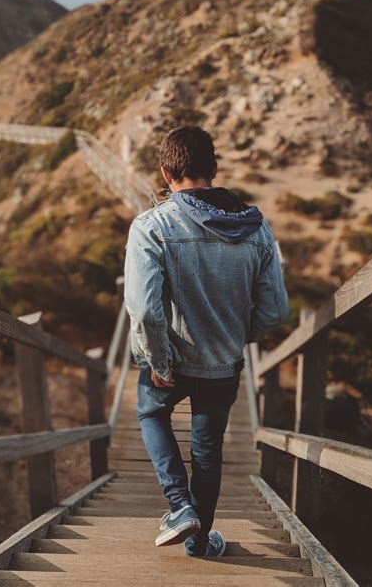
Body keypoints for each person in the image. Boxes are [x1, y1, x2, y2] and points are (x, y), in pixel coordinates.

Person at [123, 125, 289, 557]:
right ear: (214, 169)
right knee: (208, 453)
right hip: (224, 364)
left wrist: (159, 362)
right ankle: (199, 542)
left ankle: (179, 505)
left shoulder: (151, 226)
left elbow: (143, 311)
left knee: (150, 413)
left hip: (174, 362)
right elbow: (274, 312)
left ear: (165, 171)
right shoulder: (256, 229)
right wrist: (237, 335)